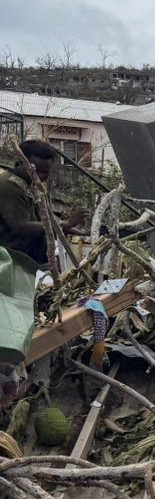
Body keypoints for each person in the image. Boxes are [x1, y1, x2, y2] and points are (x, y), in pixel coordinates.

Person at [0, 139, 57, 370]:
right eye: (36, 169)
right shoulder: (8, 185)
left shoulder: (30, 185)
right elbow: (19, 224)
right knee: (11, 311)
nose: (41, 176)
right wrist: (58, 225)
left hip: (25, 261)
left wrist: (64, 227)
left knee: (24, 308)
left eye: (45, 172)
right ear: (21, 163)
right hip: (8, 260)